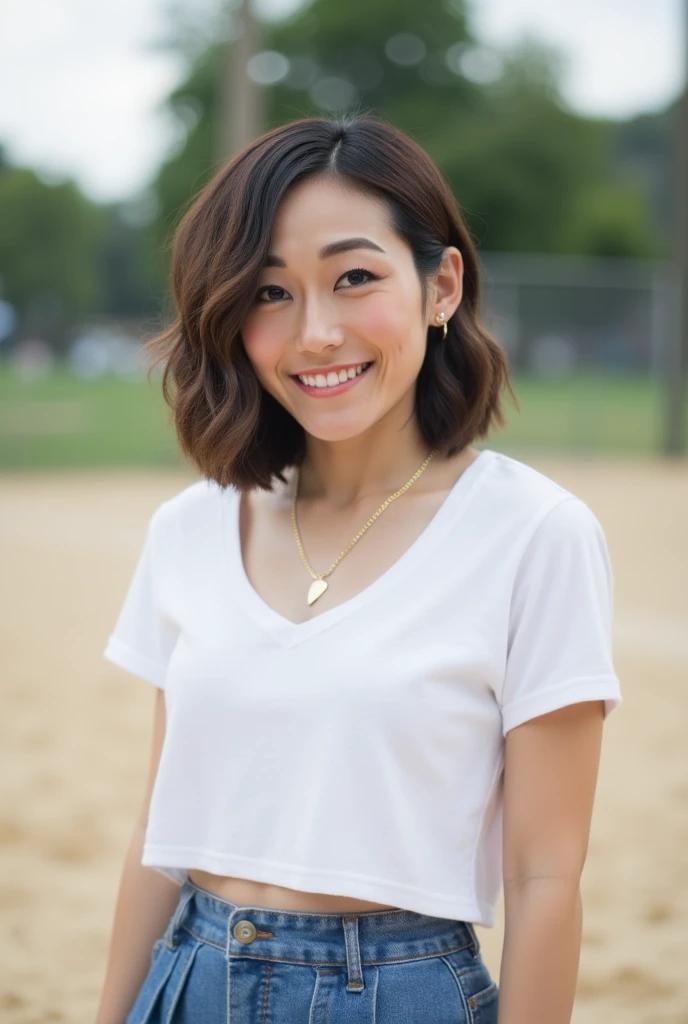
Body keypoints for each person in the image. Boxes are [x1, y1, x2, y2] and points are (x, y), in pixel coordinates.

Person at [95, 113, 622, 1024]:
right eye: (269, 293)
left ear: (441, 284)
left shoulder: (535, 535)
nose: (316, 334)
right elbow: (160, 835)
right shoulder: (190, 529)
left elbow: (544, 877)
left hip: (396, 991)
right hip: (186, 979)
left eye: (354, 278)